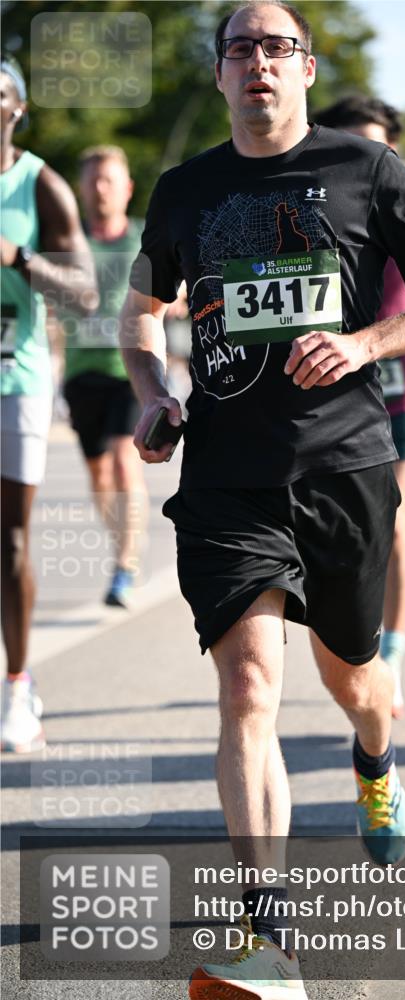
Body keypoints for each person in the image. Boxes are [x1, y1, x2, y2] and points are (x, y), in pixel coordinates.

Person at [120, 4, 405, 997]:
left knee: (355, 682)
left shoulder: (367, 170)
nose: (258, 63)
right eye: (238, 48)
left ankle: (375, 756)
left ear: (307, 69)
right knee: (248, 689)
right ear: (218, 74)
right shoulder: (186, 190)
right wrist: (153, 391)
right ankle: (267, 939)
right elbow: (140, 311)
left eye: (276, 48)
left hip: (342, 473)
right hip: (227, 480)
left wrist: (365, 344)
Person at [314, 94, 405, 717]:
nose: (367, 155)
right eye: (353, 143)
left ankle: (393, 654)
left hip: (404, 387)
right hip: (339, 388)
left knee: (395, 518)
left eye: (378, 144)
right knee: (344, 532)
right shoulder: (309, 205)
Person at [0, 54, 97, 753]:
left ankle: (17, 686)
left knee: (9, 541)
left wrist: (17, 258)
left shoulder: (41, 186)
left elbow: (86, 295)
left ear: (18, 110)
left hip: (16, 379)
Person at [62, 146, 148, 608]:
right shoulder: (66, 241)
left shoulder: (142, 238)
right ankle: (121, 545)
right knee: (98, 474)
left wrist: (172, 300)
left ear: (127, 188)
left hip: (128, 371)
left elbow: (172, 286)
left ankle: (124, 565)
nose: (100, 189)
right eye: (92, 180)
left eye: (109, 180)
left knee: (122, 461)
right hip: (81, 373)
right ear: (80, 188)